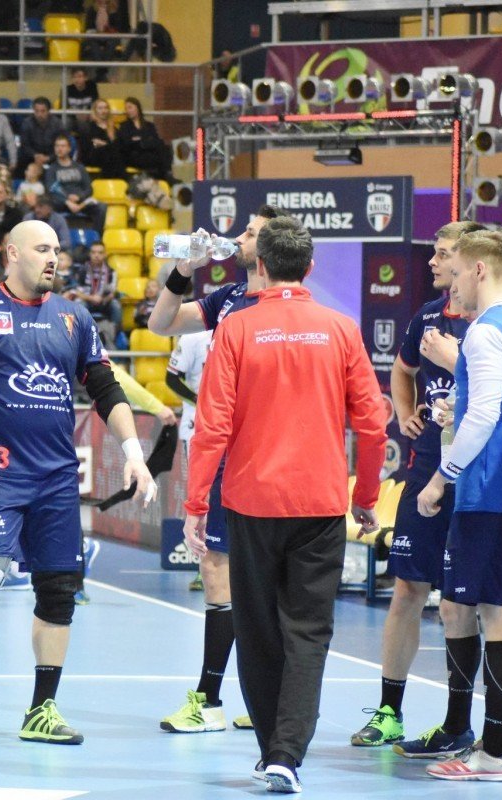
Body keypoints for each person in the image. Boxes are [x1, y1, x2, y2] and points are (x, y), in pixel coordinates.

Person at [0, 219, 155, 744]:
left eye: (57, 249)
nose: (53, 258)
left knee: (59, 592)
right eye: (42, 248)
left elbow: (106, 390)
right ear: (11, 253)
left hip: (57, 480)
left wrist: (135, 453)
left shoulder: (73, 316)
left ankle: (42, 709)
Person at [183, 216, 386, 792]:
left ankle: (273, 747)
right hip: (319, 504)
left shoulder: (236, 329)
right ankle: (287, 755)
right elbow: (373, 425)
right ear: (310, 267)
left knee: (256, 629)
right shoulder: (341, 328)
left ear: (261, 266)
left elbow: (212, 426)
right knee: (308, 632)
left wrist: (196, 503)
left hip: (251, 503)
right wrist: (365, 497)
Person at [349, 221, 487, 755]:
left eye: (442, 253)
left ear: (469, 262)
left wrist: (458, 364)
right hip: (423, 470)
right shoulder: (426, 317)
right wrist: (405, 412)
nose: (432, 261)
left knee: (462, 603)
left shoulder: (491, 323)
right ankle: (389, 713)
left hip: (473, 481)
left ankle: (466, 724)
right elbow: (401, 371)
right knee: (407, 589)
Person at [420, 230, 502, 782]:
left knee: (496, 616)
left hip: (488, 491)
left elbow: (485, 415)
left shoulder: (486, 331)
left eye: (455, 274)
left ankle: (494, 753)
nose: (451, 287)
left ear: (478, 270)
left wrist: (440, 479)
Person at [148, 207, 280, 734]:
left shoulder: (285, 305)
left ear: (271, 248)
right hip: (225, 450)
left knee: (262, 575)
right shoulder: (228, 297)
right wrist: (185, 269)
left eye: (250, 232)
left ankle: (259, 698)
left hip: (266, 453)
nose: (238, 237)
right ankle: (212, 699)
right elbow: (160, 324)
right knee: (217, 568)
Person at [43, 135, 104, 233]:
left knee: (101, 207)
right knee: (48, 204)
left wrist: (79, 197)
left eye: (63, 146)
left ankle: (96, 237)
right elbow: (51, 190)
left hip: (80, 202)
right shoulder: (52, 169)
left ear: (69, 148)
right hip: (61, 203)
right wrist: (67, 201)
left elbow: (89, 189)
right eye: (57, 146)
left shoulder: (79, 167)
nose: (59, 149)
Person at [117, 97, 171, 181]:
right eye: (126, 109)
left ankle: (166, 175)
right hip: (133, 155)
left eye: (130, 107)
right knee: (156, 159)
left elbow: (156, 141)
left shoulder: (149, 125)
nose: (128, 111)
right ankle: (165, 177)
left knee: (165, 148)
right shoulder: (124, 126)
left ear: (138, 108)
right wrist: (145, 141)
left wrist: (140, 141)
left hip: (148, 152)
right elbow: (127, 143)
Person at [81, 99, 125, 179]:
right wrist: (108, 145)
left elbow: (118, 145)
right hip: (93, 157)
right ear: (95, 111)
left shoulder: (113, 128)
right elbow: (88, 147)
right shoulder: (89, 127)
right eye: (100, 108)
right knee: (111, 155)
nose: (103, 111)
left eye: (105, 108)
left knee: (115, 155)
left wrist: (104, 144)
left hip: (110, 157)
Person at [18, 97, 64, 171]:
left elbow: (62, 145)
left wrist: (49, 158)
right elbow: (24, 145)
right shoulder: (27, 123)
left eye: (43, 111)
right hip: (31, 158)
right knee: (21, 159)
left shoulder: (57, 124)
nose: (39, 114)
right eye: (37, 111)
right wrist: (35, 155)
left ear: (49, 111)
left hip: (53, 157)